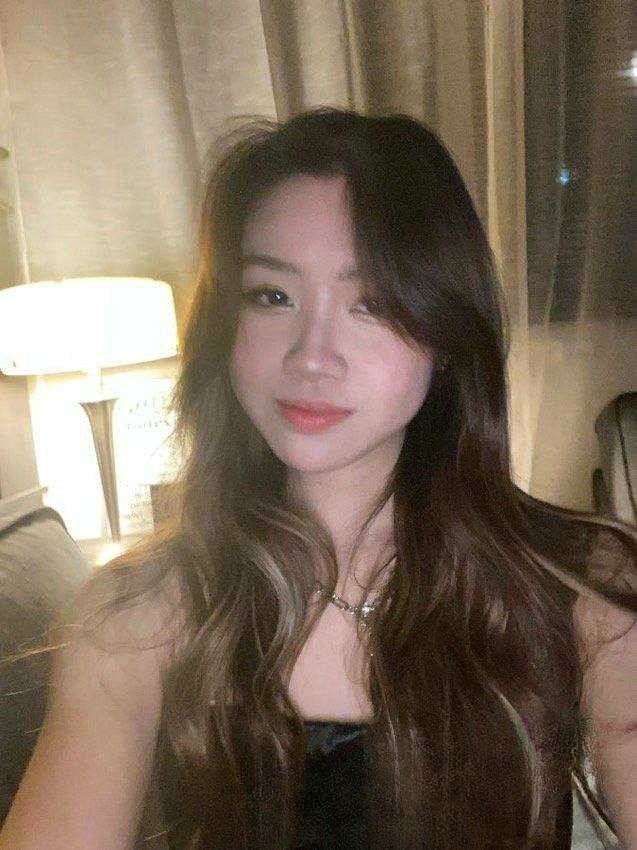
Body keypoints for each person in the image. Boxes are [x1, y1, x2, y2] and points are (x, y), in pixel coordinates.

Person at [0, 107, 635, 850]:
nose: (310, 356)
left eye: (371, 304)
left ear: (445, 333)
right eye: (272, 296)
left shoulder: (582, 584)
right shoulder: (138, 617)